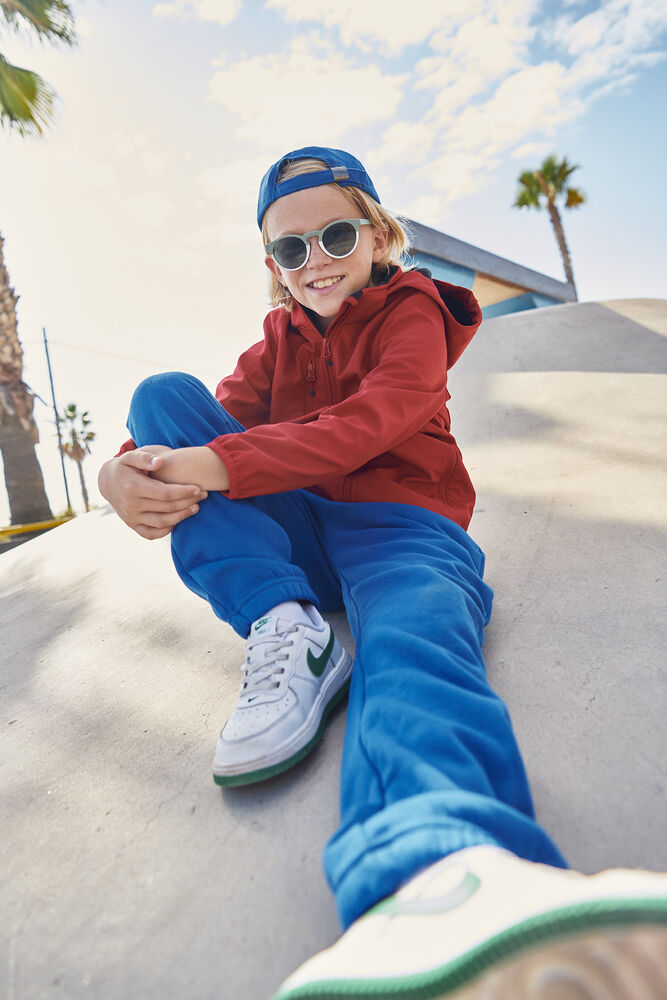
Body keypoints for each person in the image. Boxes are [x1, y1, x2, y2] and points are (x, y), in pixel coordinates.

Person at [99, 146, 667, 999]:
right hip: (301, 539)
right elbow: (187, 430)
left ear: (376, 234)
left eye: (334, 235)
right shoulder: (276, 343)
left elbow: (375, 417)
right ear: (273, 266)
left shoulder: (412, 311)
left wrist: (218, 465)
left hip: (403, 527)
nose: (315, 260)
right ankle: (285, 623)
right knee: (162, 396)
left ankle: (441, 873)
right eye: (290, 249)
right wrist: (120, 473)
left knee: (412, 641)